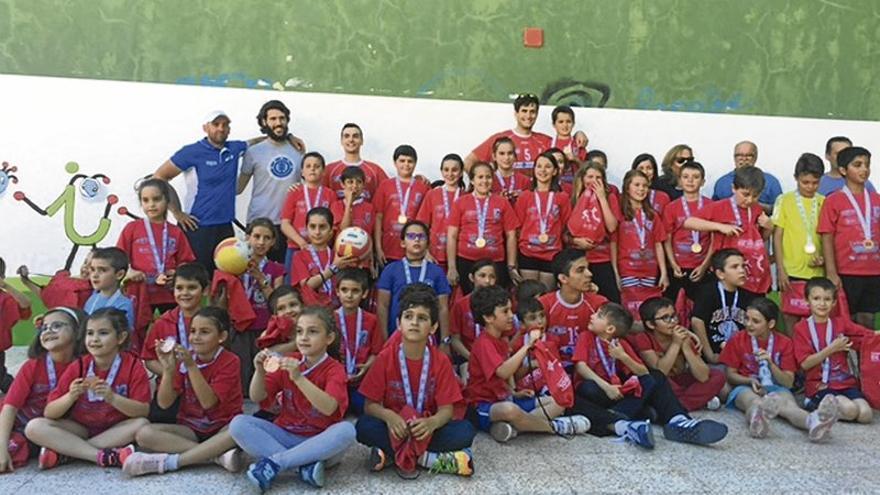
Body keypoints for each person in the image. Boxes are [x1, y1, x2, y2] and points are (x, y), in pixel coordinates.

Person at [230, 307, 357, 490]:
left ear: (329, 338)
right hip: (286, 436)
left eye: (312, 332)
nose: (304, 337)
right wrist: (258, 371)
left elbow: (329, 407)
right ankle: (303, 468)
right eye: (299, 331)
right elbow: (257, 396)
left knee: (347, 430)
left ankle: (276, 463)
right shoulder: (289, 360)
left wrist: (298, 378)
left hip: (320, 442)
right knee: (239, 424)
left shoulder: (334, 369)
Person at [356, 288, 476, 478]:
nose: (414, 322)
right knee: (363, 427)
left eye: (422, 318)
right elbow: (370, 406)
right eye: (408, 316)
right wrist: (389, 417)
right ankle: (430, 460)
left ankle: (392, 455)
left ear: (434, 327)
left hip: (425, 427)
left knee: (465, 431)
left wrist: (432, 422)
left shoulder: (440, 360)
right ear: (398, 323)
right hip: (396, 428)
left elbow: (447, 410)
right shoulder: (385, 357)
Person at [572, 302, 728, 449]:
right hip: (598, 391)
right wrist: (607, 388)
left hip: (619, 395)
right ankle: (628, 419)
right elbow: (581, 367)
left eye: (598, 315)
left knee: (655, 377)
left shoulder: (620, 343)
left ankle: (678, 421)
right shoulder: (586, 337)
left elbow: (644, 373)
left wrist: (623, 357)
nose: (592, 315)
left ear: (611, 329)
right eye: (665, 317)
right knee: (588, 388)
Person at [122, 307, 244, 476]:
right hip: (191, 429)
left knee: (239, 429)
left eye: (205, 332)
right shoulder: (186, 359)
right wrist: (168, 370)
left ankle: (174, 461)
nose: (196, 337)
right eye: (193, 331)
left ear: (222, 337)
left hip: (222, 427)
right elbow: (164, 403)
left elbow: (208, 403)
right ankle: (214, 456)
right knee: (143, 434)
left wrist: (191, 366)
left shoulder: (231, 361)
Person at [25, 308, 150, 469]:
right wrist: (70, 396)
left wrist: (113, 398)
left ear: (121, 337)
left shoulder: (133, 365)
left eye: (103, 333)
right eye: (90, 333)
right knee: (34, 426)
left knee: (141, 424)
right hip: (80, 429)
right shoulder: (79, 365)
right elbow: (49, 412)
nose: (94, 339)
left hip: (116, 429)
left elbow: (143, 411)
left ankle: (68, 453)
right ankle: (100, 455)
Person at [465, 286, 590, 443]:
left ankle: (516, 427)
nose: (512, 316)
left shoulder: (502, 339)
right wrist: (527, 346)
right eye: (505, 311)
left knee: (558, 402)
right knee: (509, 410)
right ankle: (555, 427)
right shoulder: (484, 343)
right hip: (484, 407)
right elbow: (503, 372)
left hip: (507, 398)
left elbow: (505, 378)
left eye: (511, 310)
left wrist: (513, 391)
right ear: (488, 317)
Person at [720, 297, 839, 441]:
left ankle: (815, 423)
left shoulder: (785, 343)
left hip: (777, 387)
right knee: (752, 401)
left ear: (771, 324)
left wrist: (771, 364)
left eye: (755, 321)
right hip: (746, 386)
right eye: (747, 319)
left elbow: (788, 382)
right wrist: (749, 380)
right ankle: (757, 421)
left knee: (789, 406)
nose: (749, 324)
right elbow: (730, 374)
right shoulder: (737, 339)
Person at [152, 111, 248, 275]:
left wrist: (289, 138)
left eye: (225, 125)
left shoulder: (234, 148)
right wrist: (177, 212)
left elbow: (256, 143)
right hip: (197, 227)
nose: (221, 128)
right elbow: (160, 177)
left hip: (225, 226)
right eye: (216, 124)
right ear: (205, 128)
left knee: (226, 279)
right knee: (197, 278)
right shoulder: (191, 152)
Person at [0, 307, 83, 471]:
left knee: (18, 445)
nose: (48, 331)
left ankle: (57, 451)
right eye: (44, 327)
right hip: (13, 421)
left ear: (77, 331)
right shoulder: (33, 365)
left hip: (46, 426)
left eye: (57, 325)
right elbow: (10, 407)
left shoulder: (84, 365)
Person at [792, 277, 874, 424]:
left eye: (827, 299)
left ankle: (826, 408)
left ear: (834, 302)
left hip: (845, 382)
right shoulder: (801, 328)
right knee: (850, 410)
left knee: (866, 415)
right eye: (816, 298)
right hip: (821, 385)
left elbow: (867, 334)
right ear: (807, 301)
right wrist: (832, 349)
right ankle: (812, 403)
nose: (822, 303)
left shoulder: (840, 323)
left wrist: (874, 334)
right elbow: (804, 364)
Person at [817, 146, 880, 328]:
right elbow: (827, 237)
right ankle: (846, 356)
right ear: (843, 170)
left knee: (867, 319)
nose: (864, 170)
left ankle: (866, 356)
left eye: (867, 165)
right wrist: (831, 272)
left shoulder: (876, 199)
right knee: (847, 320)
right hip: (846, 271)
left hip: (874, 270)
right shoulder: (833, 200)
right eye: (857, 165)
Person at [686, 166, 773, 295]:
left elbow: (761, 238)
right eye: (745, 194)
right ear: (733, 188)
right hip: (727, 272)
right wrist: (720, 226)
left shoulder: (756, 209)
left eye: (755, 196)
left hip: (752, 272)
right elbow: (689, 222)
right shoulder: (720, 206)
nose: (749, 200)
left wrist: (769, 227)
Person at [237, 100, 306, 263]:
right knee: (252, 270)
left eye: (282, 118)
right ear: (264, 122)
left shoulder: (298, 150)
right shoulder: (253, 152)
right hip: (259, 221)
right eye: (273, 119)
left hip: (288, 224)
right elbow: (239, 188)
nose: (278, 123)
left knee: (282, 274)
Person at [116, 178, 195, 315]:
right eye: (145, 200)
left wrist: (178, 274)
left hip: (169, 294)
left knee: (171, 330)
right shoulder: (132, 228)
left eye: (157, 199)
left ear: (167, 201)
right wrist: (129, 272)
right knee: (139, 331)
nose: (151, 205)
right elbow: (117, 258)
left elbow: (186, 262)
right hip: (139, 292)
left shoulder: (176, 232)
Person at [634, 298, 724, 411]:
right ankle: (692, 402)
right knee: (656, 381)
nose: (673, 321)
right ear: (651, 324)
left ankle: (678, 406)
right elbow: (660, 372)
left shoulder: (683, 335)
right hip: (663, 383)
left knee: (717, 376)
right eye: (665, 318)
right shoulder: (644, 338)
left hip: (680, 380)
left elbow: (703, 377)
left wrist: (686, 347)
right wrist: (676, 344)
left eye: (674, 316)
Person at [772, 153, 826, 333]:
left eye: (815, 182)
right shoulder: (784, 200)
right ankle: (792, 359)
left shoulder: (824, 202)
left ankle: (813, 358)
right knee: (790, 315)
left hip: (817, 272)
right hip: (791, 271)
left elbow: (827, 237)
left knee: (816, 318)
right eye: (805, 182)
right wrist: (780, 269)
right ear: (796, 178)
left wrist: (824, 258)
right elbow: (777, 236)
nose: (810, 187)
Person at [447, 162, 521, 292]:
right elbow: (452, 236)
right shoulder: (460, 202)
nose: (484, 181)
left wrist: (511, 266)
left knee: (494, 302)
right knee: (469, 301)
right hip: (466, 260)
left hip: (495, 261)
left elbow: (511, 235)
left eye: (488, 177)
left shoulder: (502, 202)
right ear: (472, 180)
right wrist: (452, 267)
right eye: (480, 177)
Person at [376, 220, 451, 340]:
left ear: (428, 243)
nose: (416, 240)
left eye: (421, 236)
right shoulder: (391, 269)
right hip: (395, 335)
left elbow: (443, 308)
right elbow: (382, 306)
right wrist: (383, 339)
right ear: (402, 243)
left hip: (427, 336)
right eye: (411, 236)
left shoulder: (437, 272)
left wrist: (445, 340)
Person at [612, 170, 669, 317]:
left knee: (648, 312)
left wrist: (663, 272)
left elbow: (658, 244)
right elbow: (613, 244)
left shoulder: (652, 215)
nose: (641, 189)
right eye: (636, 185)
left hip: (649, 271)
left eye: (645, 185)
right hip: (627, 270)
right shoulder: (620, 212)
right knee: (629, 311)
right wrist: (616, 273)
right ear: (627, 187)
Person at [539, 249, 608, 368]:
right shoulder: (544, 304)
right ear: (563, 278)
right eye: (580, 270)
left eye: (587, 268)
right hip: (553, 368)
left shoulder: (599, 303)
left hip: (589, 368)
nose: (589, 274)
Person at [690, 249, 757, 364]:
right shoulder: (707, 292)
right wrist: (709, 355)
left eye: (743, 266)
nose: (742, 271)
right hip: (712, 357)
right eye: (734, 267)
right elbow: (697, 322)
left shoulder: (748, 296)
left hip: (739, 357)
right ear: (720, 274)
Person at [515, 152, 571, 288]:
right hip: (527, 253)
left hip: (552, 254)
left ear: (555, 171)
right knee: (529, 297)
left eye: (548, 167)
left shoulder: (562, 197)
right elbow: (518, 227)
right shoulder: (525, 196)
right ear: (534, 170)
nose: (543, 170)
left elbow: (564, 225)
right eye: (539, 166)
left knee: (545, 298)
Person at [567, 162, 621, 302]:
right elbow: (564, 232)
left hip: (602, 258)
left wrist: (602, 198)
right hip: (579, 258)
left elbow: (612, 227)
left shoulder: (610, 197)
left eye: (598, 177)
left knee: (610, 301)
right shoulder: (573, 198)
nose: (594, 181)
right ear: (582, 179)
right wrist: (575, 241)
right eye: (590, 176)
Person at [464, 93, 552, 177]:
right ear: (516, 114)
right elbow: (468, 162)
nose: (528, 116)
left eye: (532, 112)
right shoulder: (499, 139)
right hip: (506, 191)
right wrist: (479, 183)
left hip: (534, 192)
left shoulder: (546, 141)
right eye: (524, 111)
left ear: (536, 114)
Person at [662, 161, 713, 302]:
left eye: (696, 177)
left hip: (703, 267)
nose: (690, 180)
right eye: (685, 177)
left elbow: (715, 240)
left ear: (703, 182)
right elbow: (667, 238)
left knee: (701, 308)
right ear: (679, 180)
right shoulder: (671, 207)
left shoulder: (711, 206)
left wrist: (705, 266)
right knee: (677, 307)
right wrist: (673, 265)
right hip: (678, 268)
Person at [333, 268, 382, 414]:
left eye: (355, 291)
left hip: (362, 381)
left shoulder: (372, 320)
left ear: (364, 293)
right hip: (336, 381)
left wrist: (367, 366)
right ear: (337, 292)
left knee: (365, 413)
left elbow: (376, 351)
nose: (349, 295)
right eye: (344, 290)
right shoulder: (329, 318)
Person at [374, 145, 430, 266]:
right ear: (395, 162)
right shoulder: (385, 185)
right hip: (388, 248)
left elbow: (426, 222)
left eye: (410, 161)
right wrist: (378, 248)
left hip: (414, 250)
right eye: (402, 161)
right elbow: (378, 217)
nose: (406, 164)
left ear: (415, 163)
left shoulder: (423, 188)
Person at [290, 207, 357, 307]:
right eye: (312, 227)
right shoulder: (300, 256)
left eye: (322, 227)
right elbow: (308, 285)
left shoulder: (338, 256)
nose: (317, 232)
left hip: (336, 311)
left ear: (331, 231)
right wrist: (333, 268)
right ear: (307, 230)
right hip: (311, 312)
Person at [280, 152, 332, 278]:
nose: (312, 169)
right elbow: (285, 223)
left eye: (317, 166)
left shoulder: (330, 194)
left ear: (324, 171)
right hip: (296, 247)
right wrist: (302, 243)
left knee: (321, 286)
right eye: (308, 166)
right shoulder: (294, 192)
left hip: (322, 249)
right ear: (302, 172)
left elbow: (333, 224)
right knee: (291, 287)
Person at [416, 154, 465, 270]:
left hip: (459, 255)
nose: (450, 174)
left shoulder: (466, 196)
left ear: (461, 172)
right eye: (446, 170)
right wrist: (425, 251)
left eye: (455, 170)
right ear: (441, 172)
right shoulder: (432, 194)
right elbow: (421, 226)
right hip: (434, 255)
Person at [711, 141, 783, 214]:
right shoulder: (722, 182)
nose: (744, 159)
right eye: (739, 155)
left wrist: (755, 205)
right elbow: (714, 209)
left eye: (749, 155)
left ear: (756, 157)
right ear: (734, 157)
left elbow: (781, 210)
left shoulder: (771, 182)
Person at [323, 123, 389, 201]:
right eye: (347, 136)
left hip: (366, 212)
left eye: (355, 136)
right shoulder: (329, 170)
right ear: (341, 141)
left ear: (362, 141)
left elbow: (389, 193)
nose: (351, 140)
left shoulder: (375, 170)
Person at [449, 260, 498, 364]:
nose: (487, 281)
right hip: (468, 357)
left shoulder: (500, 304)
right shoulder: (460, 305)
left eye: (492, 277)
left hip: (495, 357)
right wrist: (472, 358)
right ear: (472, 278)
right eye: (482, 276)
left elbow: (505, 337)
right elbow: (455, 339)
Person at [0, 257, 32, 392]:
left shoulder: (5, 298)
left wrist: (6, 286)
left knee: (2, 379)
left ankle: (20, 393)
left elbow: (25, 304)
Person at [84, 247, 135, 328]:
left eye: (102, 270)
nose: (95, 275)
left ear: (119, 274)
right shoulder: (92, 298)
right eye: (93, 269)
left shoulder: (123, 305)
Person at [331, 165, 376, 234]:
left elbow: (370, 233)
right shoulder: (336, 205)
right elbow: (344, 229)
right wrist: (349, 203)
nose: (355, 186)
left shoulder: (370, 208)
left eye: (359, 182)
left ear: (364, 185)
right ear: (342, 184)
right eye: (350, 182)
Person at [490, 137, 532, 205]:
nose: (506, 158)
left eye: (510, 153)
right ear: (494, 156)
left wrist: (522, 197)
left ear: (515, 156)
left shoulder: (525, 181)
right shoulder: (488, 180)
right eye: (502, 153)